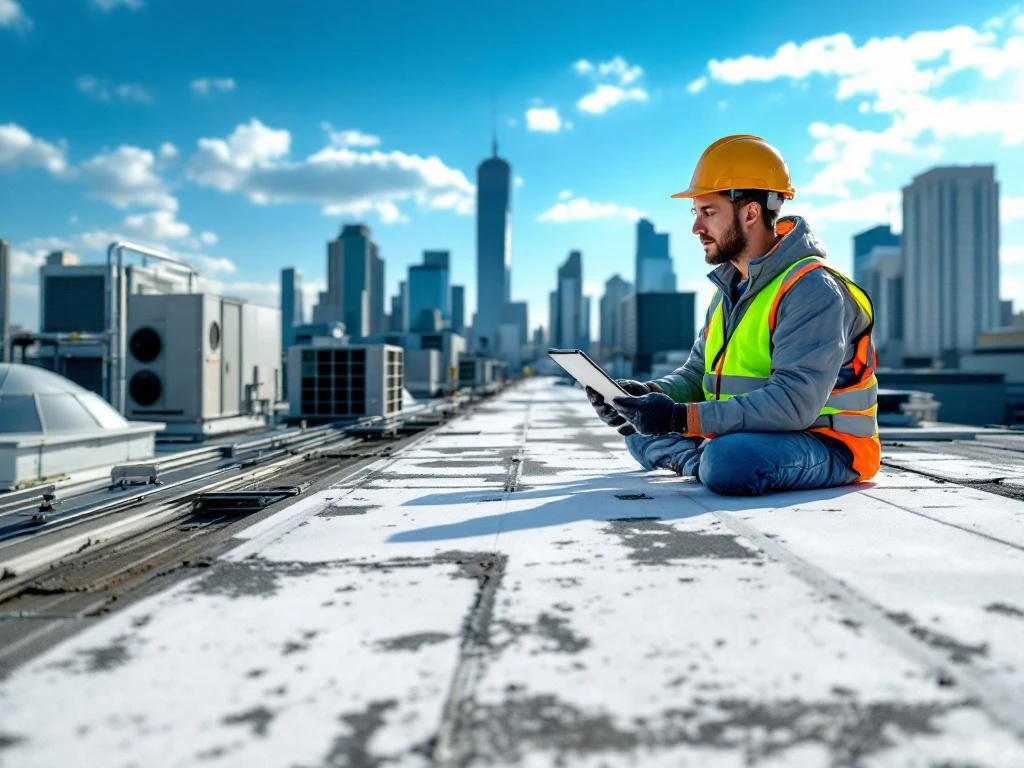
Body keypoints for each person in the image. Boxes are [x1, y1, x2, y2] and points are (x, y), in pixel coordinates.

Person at [588, 134, 879, 496]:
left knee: (731, 460)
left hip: (824, 444)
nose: (696, 228)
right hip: (748, 434)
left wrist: (680, 419)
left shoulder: (812, 289)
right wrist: (647, 397)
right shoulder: (729, 290)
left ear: (751, 213)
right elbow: (697, 374)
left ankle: (707, 461)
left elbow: (794, 404)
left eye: (708, 213)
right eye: (695, 213)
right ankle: (704, 461)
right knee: (638, 432)